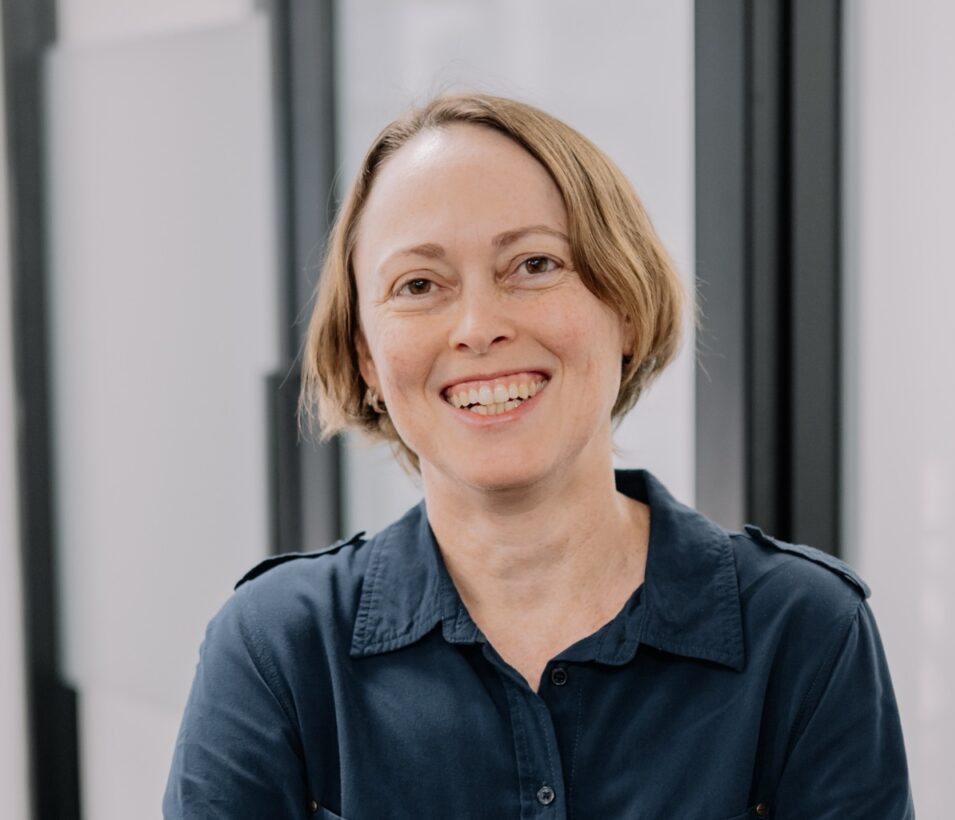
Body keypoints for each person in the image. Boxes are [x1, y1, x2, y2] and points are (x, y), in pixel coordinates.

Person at [163, 93, 914, 819]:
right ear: (366, 357)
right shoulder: (276, 649)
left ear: (623, 304)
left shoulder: (806, 632)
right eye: (418, 284)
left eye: (533, 265)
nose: (478, 326)